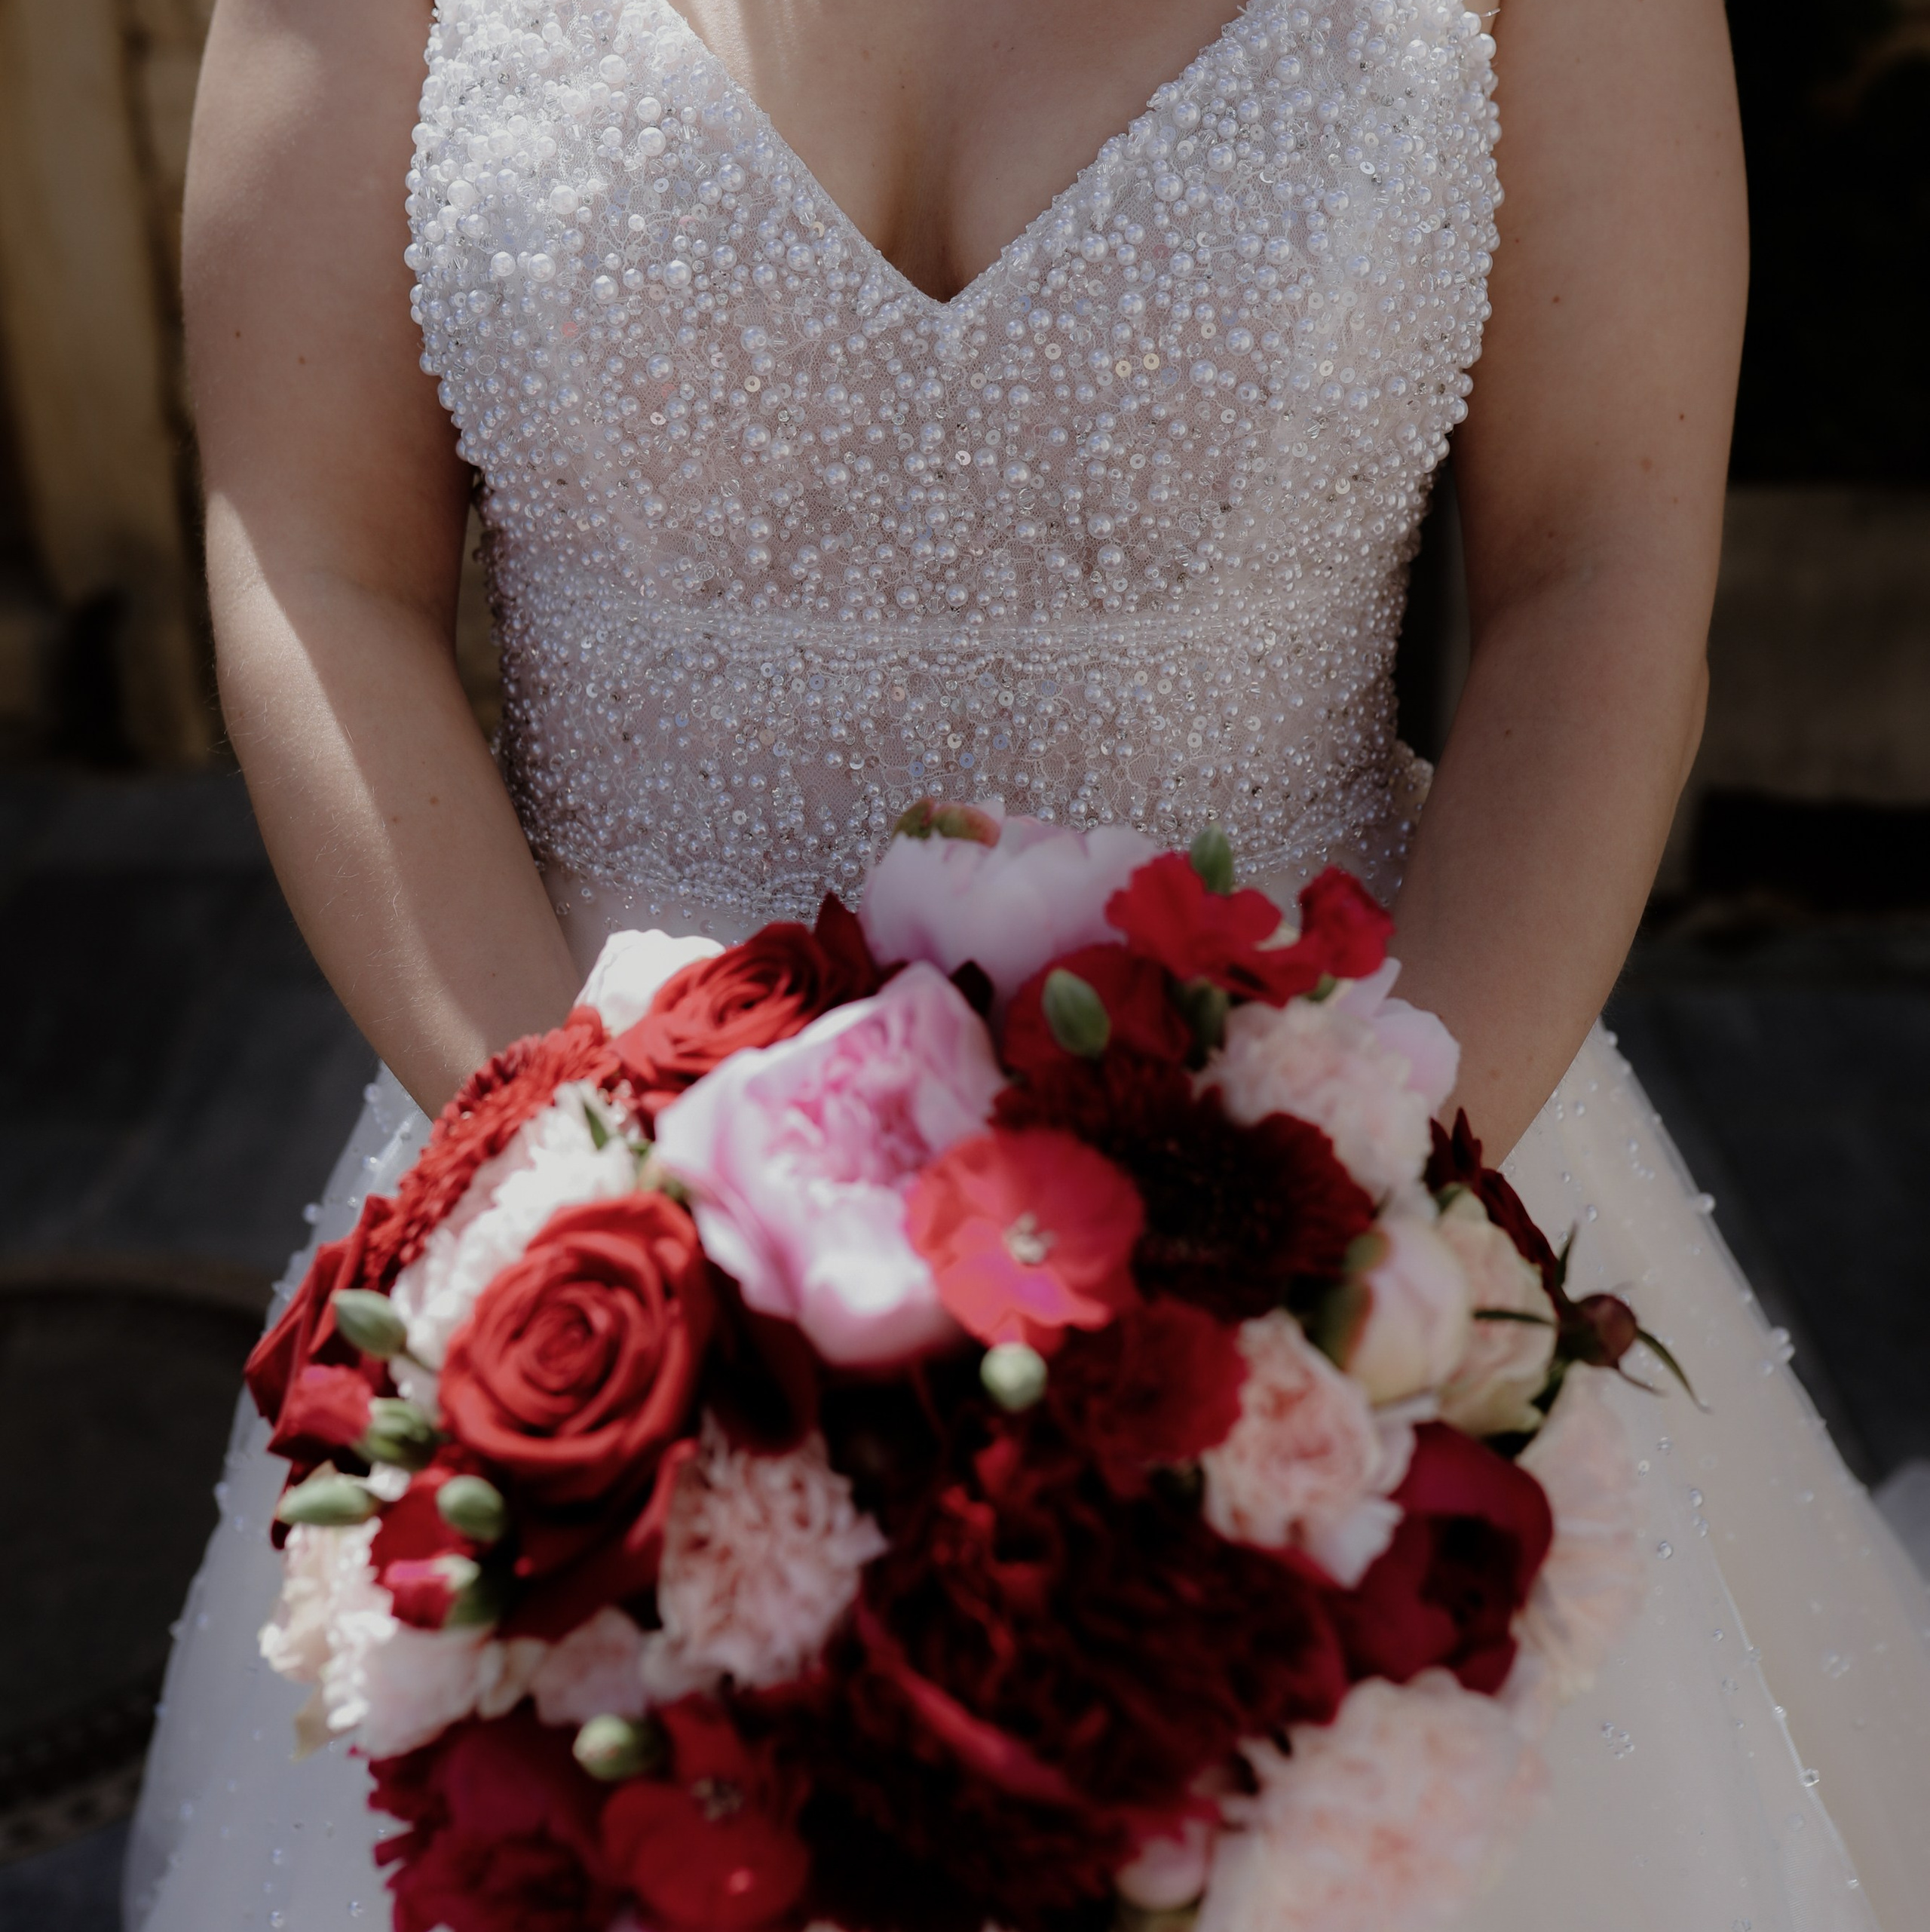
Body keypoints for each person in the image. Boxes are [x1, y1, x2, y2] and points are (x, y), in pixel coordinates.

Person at [127, 0, 1930, 1926]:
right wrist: (588, 1184)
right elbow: (310, 557)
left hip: (1354, 1168)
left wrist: (1352, 1250)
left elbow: (1599, 574)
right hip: (570, 1165)